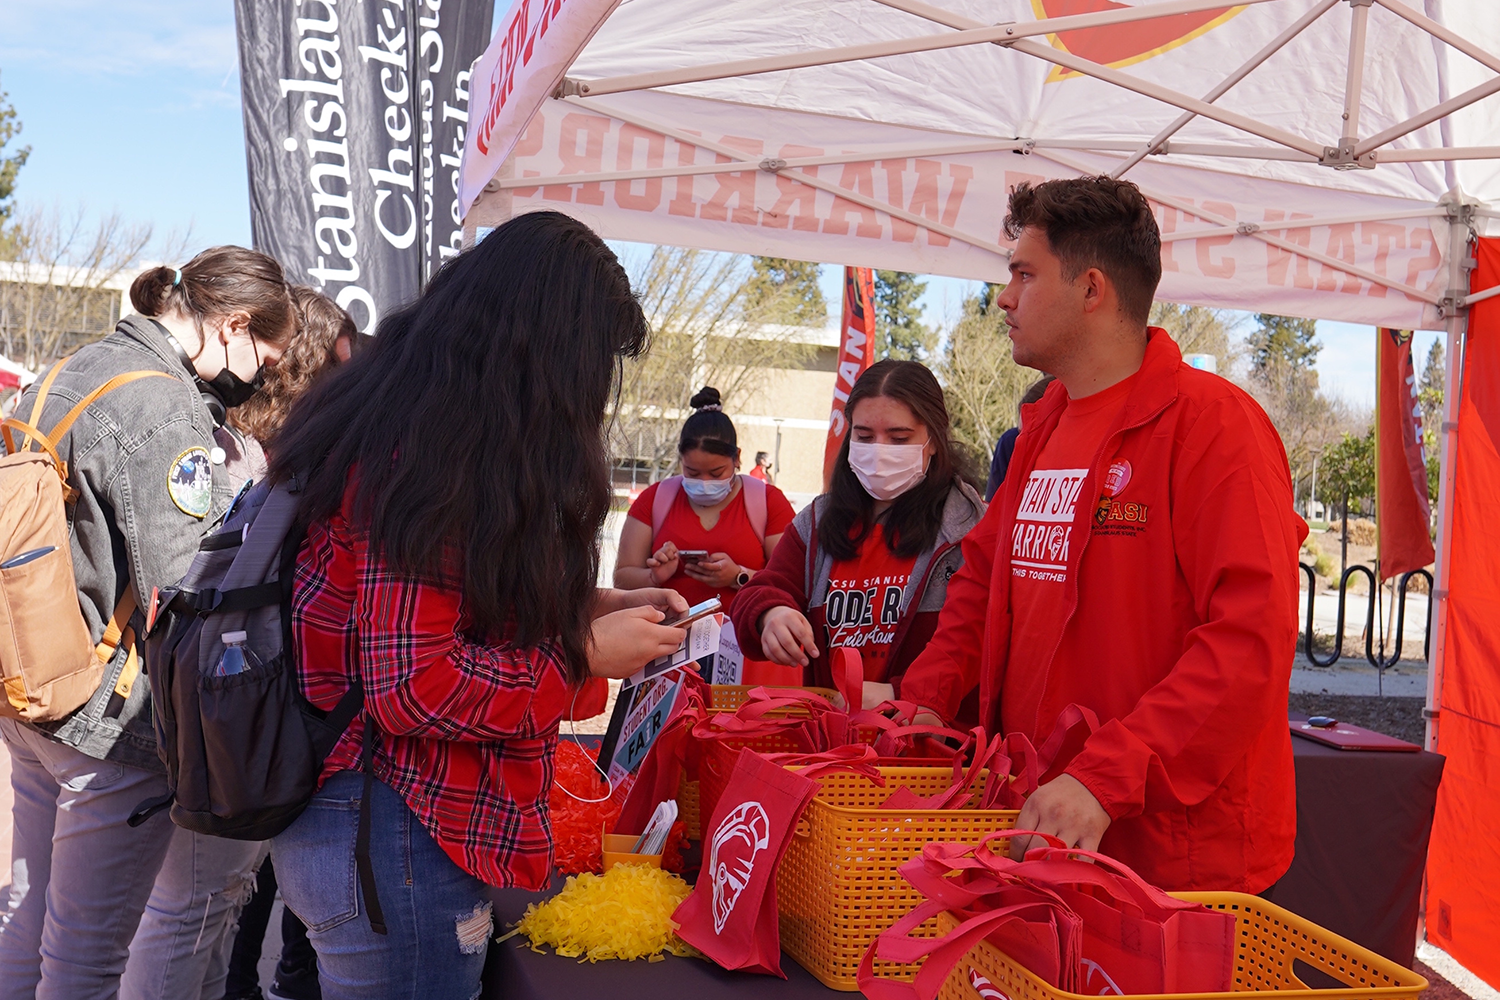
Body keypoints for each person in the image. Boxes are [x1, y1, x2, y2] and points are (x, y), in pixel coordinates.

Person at [264, 210, 689, 999]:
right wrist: (581, 657)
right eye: (589, 367)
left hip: (380, 832)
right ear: (541, 356)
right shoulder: (422, 458)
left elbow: (446, 604)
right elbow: (413, 681)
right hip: (390, 836)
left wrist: (590, 605)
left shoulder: (415, 429)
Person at [899, 176, 1305, 894]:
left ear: (1092, 290)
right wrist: (923, 701)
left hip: (1165, 856)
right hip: (1040, 832)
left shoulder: (1214, 427)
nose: (1004, 297)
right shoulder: (1043, 427)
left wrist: (1108, 775)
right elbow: (982, 583)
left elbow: (1248, 639)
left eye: (1024, 274)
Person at [0, 247, 295, 999]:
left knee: (28, 926)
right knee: (87, 960)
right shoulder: (163, 406)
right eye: (267, 351)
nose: (264, 371)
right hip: (110, 716)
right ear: (231, 324)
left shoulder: (81, 362)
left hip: (34, 679)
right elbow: (192, 586)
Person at [119, 287, 357, 1000]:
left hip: (216, 716)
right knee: (192, 908)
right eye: (341, 365)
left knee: (213, 910)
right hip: (218, 718)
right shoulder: (244, 459)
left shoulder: (249, 449)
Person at [731, 360, 984, 713]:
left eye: (899, 438)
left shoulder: (969, 530)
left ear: (934, 440)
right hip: (831, 742)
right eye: (864, 437)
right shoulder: (818, 522)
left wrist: (903, 694)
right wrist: (770, 614)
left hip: (927, 748)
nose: (879, 451)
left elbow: (980, 646)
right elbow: (761, 590)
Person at [614, 387, 795, 611]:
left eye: (717, 473)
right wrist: (653, 577)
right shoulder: (654, 500)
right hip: (667, 639)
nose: (705, 482)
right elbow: (621, 580)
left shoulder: (769, 502)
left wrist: (738, 576)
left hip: (744, 639)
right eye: (693, 473)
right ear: (680, 460)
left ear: (737, 457)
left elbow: (793, 581)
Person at [985, 375, 1054, 501]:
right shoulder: (1010, 443)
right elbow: (993, 506)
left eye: (1031, 435)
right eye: (1020, 433)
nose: (1022, 442)